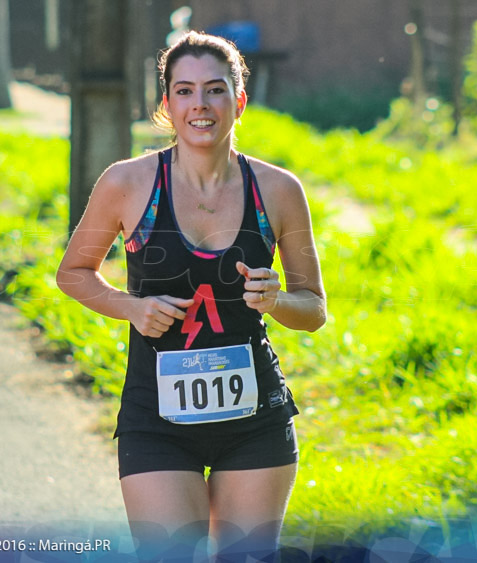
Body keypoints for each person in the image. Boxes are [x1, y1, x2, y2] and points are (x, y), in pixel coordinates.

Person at [57, 31, 326, 560]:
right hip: (156, 420)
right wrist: (131, 307)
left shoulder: (278, 191)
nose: (199, 105)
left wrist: (276, 301)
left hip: (256, 421)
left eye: (215, 90)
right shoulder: (128, 184)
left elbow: (314, 309)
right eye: (183, 91)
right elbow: (74, 273)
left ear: (239, 100)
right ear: (166, 105)